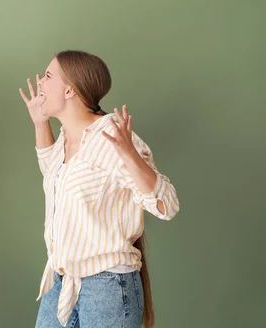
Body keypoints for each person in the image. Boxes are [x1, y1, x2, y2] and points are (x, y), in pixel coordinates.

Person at [19, 50, 179, 328]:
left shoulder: (111, 138)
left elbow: (167, 206)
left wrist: (130, 156)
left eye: (48, 76)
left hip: (108, 287)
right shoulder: (67, 137)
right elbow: (55, 175)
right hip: (63, 280)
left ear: (70, 89)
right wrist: (39, 122)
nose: (41, 83)